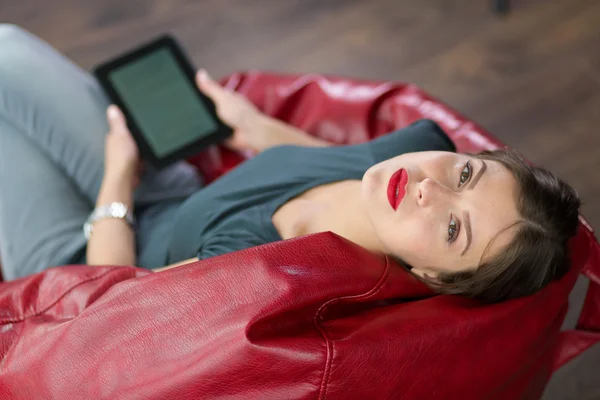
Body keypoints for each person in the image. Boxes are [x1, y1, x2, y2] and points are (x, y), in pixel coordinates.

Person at [0, 25, 581, 303]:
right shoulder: (404, 159)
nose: (430, 187)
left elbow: (111, 303)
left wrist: (118, 174)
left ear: (433, 277)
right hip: (169, 192)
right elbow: (322, 159)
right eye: (465, 174)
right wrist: (250, 124)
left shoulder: (263, 272)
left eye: (455, 228)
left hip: (86, 254)